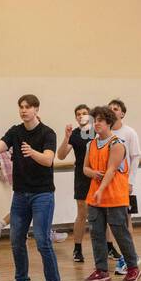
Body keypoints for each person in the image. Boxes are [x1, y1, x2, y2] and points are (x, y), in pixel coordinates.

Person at [0, 95, 62, 281]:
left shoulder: (47, 133)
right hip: (21, 194)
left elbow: (49, 159)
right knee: (16, 240)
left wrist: (32, 152)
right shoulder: (16, 131)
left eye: (27, 107)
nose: (23, 111)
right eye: (21, 107)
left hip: (42, 194)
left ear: (36, 109)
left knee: (43, 241)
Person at [82, 106, 141, 281]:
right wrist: (92, 174)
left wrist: (101, 189)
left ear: (109, 122)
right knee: (96, 233)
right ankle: (101, 270)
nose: (97, 123)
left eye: (100, 120)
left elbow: (111, 170)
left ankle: (133, 268)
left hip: (114, 195)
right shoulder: (91, 144)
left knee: (120, 233)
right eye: (95, 120)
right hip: (95, 197)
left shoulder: (117, 144)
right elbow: (85, 168)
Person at [56, 104, 95, 263]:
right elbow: (61, 155)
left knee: (103, 212)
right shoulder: (75, 135)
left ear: (90, 116)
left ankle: (109, 247)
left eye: (84, 113)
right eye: (78, 114)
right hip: (81, 175)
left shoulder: (97, 132)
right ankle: (77, 249)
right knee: (82, 212)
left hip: (97, 174)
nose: (81, 116)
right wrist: (66, 137)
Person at [108, 99, 141, 272]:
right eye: (110, 109)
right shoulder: (103, 133)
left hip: (123, 184)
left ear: (122, 113)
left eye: (116, 109)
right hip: (107, 184)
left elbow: (135, 157)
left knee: (126, 220)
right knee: (111, 222)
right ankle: (122, 255)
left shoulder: (129, 133)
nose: (113, 111)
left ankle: (130, 256)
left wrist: (131, 181)